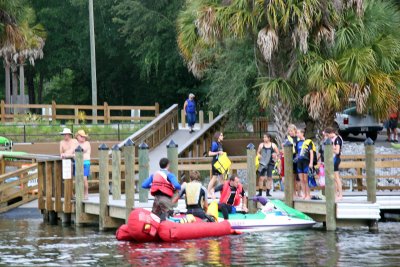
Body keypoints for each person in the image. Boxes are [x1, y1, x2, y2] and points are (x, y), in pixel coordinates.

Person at [325, 127, 343, 201]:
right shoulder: (332, 139)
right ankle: (335, 194)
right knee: (334, 178)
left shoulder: (337, 139)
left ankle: (340, 194)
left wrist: (330, 148)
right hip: (332, 159)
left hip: (336, 159)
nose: (327, 137)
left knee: (336, 177)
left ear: (330, 133)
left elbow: (337, 151)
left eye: (327, 135)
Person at [283, 124, 301, 197]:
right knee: (293, 176)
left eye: (292, 131)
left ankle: (299, 192)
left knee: (299, 177)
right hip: (291, 156)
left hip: (298, 156)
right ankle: (293, 192)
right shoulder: (287, 138)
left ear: (295, 130)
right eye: (289, 131)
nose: (290, 132)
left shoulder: (298, 137)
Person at [295, 129, 313, 200]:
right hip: (299, 162)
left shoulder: (308, 142)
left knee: (306, 179)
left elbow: (311, 152)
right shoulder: (298, 142)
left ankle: (308, 194)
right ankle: (304, 194)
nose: (297, 134)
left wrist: (311, 162)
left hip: (306, 161)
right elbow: (297, 153)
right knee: (301, 179)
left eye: (298, 133)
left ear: (302, 133)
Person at [75, 130, 91, 200]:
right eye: (81, 136)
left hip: (85, 162)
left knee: (84, 178)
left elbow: (81, 150)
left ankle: (86, 193)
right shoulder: (75, 143)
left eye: (84, 136)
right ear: (77, 136)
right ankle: (78, 193)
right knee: (78, 179)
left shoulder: (87, 143)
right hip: (78, 162)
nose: (83, 138)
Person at [207, 132, 224, 196]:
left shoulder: (220, 144)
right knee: (214, 178)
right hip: (215, 163)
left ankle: (223, 193)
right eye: (221, 135)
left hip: (220, 163)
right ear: (218, 136)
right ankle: (208, 192)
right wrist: (218, 152)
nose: (223, 136)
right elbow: (209, 153)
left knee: (222, 179)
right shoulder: (215, 144)